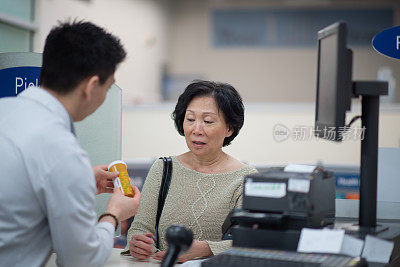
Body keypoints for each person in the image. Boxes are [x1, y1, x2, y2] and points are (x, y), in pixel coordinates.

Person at [0, 21, 141, 267]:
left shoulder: (6, 111)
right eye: (107, 87)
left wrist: (81, 181)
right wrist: (114, 214)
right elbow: (80, 259)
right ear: (91, 87)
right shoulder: (62, 150)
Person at [126, 80, 257, 262]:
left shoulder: (246, 179)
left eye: (208, 121)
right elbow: (141, 227)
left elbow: (250, 241)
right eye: (190, 119)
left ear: (229, 128)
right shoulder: (163, 168)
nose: (196, 130)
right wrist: (138, 243)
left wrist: (205, 249)